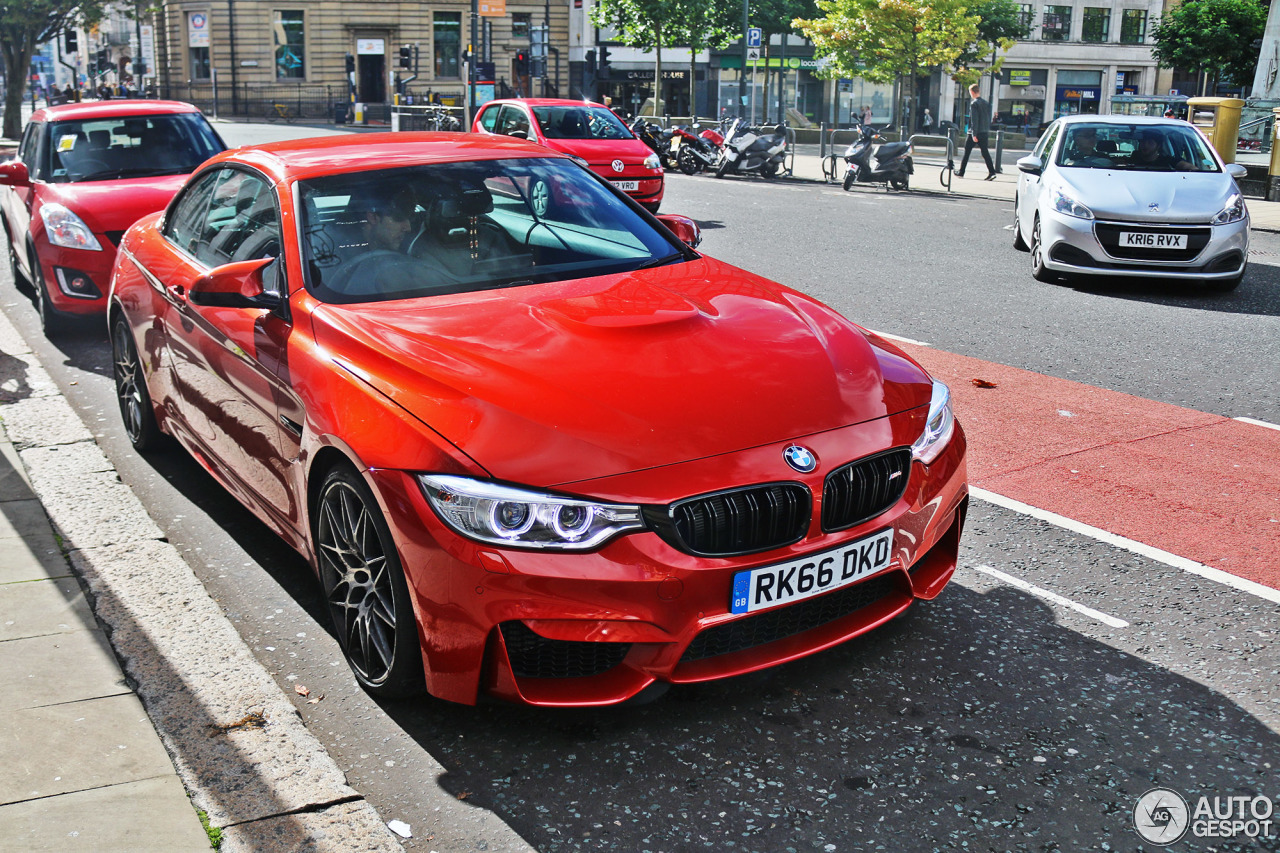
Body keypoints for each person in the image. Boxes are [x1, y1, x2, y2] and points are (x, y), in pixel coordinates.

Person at [956, 83, 997, 180]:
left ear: (972, 92)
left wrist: (974, 134)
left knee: (967, 152)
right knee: (985, 152)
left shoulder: (974, 104)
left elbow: (974, 119)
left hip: (974, 132)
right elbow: (987, 118)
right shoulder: (986, 103)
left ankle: (961, 172)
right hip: (984, 131)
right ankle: (992, 172)